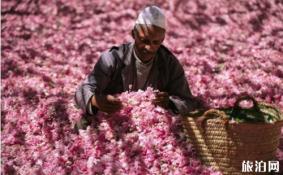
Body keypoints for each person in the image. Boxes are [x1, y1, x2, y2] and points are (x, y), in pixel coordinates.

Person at [74, 5, 203, 130]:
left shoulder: (169, 63)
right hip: (113, 123)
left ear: (162, 39)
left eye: (156, 42)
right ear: (133, 34)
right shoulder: (113, 58)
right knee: (83, 126)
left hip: (149, 130)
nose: (149, 48)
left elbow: (188, 101)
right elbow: (83, 90)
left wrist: (169, 102)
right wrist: (96, 101)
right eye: (144, 41)